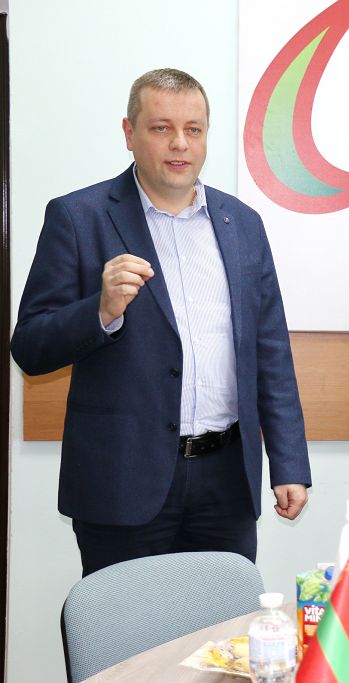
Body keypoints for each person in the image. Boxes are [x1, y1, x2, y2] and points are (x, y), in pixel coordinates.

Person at [11, 68, 311, 575]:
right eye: (161, 128)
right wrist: (100, 310)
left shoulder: (243, 224)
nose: (180, 144)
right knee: (123, 625)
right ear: (129, 133)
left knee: (225, 625)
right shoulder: (78, 217)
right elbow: (30, 347)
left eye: (193, 129)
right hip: (122, 480)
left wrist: (289, 464)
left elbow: (270, 353)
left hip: (225, 483)